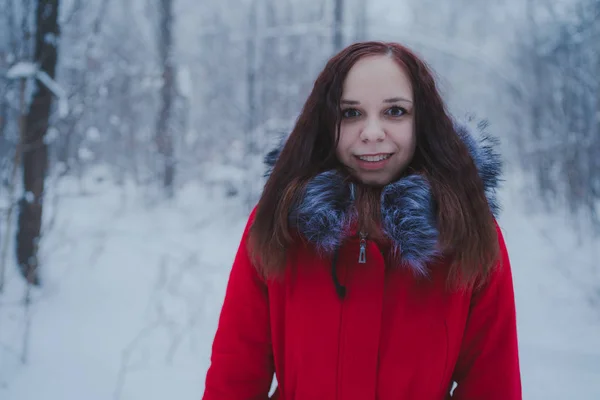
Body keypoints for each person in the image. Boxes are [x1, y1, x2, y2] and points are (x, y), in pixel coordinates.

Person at [203, 41, 521, 399]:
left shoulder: (466, 228)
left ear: (423, 121)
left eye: (395, 112)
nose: (371, 132)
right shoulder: (279, 221)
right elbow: (236, 372)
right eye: (350, 113)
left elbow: (492, 381)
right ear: (326, 122)